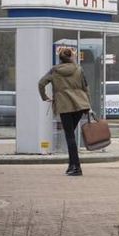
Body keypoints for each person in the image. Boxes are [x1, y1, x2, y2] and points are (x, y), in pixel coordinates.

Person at [38, 47, 92, 176]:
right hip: (80, 105)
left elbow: (41, 83)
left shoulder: (54, 70)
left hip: (65, 106)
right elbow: (86, 87)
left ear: (60, 58)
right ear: (71, 57)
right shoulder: (79, 69)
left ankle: (77, 167)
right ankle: (71, 165)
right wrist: (88, 105)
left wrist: (45, 97)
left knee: (69, 136)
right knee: (70, 135)